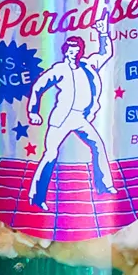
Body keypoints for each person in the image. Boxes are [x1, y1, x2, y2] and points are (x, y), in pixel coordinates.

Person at [23, 27, 116, 207]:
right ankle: (36, 197)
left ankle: (104, 185)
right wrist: (33, 111)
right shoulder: (60, 69)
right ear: (65, 51)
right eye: (71, 50)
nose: (74, 53)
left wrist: (103, 34)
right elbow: (38, 87)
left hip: (80, 118)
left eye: (77, 50)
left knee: (97, 145)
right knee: (50, 154)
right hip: (61, 119)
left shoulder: (88, 66)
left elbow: (106, 53)